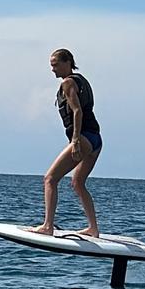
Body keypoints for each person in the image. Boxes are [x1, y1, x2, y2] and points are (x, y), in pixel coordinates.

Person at [31, 48, 102, 238]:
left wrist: (76, 140)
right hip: (96, 139)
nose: (52, 69)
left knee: (50, 179)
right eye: (51, 66)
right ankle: (93, 228)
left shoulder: (68, 82)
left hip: (85, 138)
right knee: (78, 182)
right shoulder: (81, 80)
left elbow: (77, 111)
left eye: (55, 65)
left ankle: (47, 226)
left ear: (67, 62)